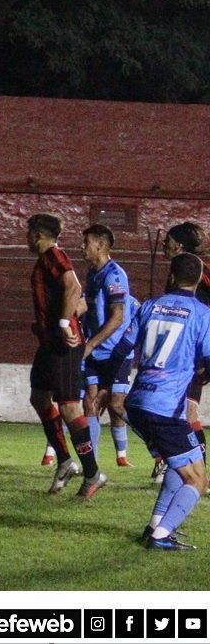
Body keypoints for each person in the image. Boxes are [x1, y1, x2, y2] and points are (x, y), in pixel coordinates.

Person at [103, 253, 210, 549]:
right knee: (198, 480)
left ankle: (155, 526)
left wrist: (107, 387)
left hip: (137, 404)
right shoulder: (202, 314)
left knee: (179, 465)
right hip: (165, 409)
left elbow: (121, 349)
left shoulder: (149, 306)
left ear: (171, 276)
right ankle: (162, 536)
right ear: (198, 280)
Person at [25, 213, 105, 499]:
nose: (26, 238)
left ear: (38, 235)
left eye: (28, 233)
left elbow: (74, 287)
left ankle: (93, 474)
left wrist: (62, 323)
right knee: (39, 398)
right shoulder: (45, 260)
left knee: (70, 407)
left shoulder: (53, 256)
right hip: (50, 344)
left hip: (64, 345)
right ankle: (64, 460)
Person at [156, 221, 210, 478]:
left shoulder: (200, 272)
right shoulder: (178, 274)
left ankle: (200, 474)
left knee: (187, 411)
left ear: (178, 246)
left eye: (167, 242)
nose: (163, 246)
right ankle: (175, 463)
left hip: (195, 356)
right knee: (176, 411)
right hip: (179, 356)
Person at [80, 224, 134, 467]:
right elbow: (87, 306)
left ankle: (157, 448)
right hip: (94, 351)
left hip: (115, 352)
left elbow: (117, 317)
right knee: (90, 402)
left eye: (86, 243)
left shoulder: (114, 275)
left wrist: (90, 344)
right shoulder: (92, 273)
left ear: (100, 246)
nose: (82, 247)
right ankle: (92, 465)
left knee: (116, 405)